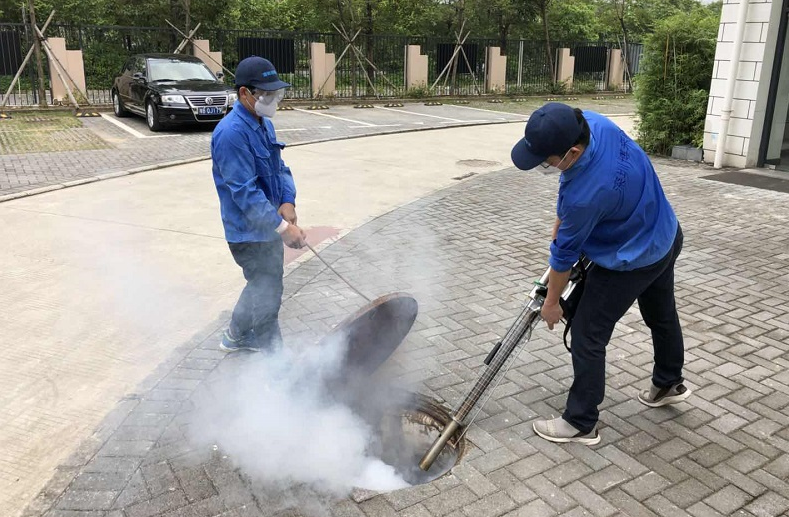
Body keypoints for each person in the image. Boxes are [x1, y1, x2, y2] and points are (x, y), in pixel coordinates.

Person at [510, 102, 690, 445]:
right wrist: (564, 221)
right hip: (665, 232)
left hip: (632, 258)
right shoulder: (593, 123)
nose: (546, 167)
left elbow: (562, 257)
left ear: (572, 151)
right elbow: (570, 213)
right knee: (661, 314)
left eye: (547, 161)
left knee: (588, 333)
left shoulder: (587, 194)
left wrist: (551, 303)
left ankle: (580, 422)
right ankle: (668, 382)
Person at [211, 56, 306, 352]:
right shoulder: (230, 134)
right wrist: (281, 228)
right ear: (244, 94)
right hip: (248, 234)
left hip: (267, 228)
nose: (272, 100)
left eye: (274, 93)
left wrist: (287, 201)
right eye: (266, 94)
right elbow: (244, 193)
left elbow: (279, 169)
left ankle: (235, 335)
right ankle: (275, 367)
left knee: (260, 283)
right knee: (268, 292)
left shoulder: (262, 124)